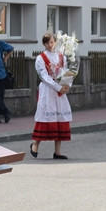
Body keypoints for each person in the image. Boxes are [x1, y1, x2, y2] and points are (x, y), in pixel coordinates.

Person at [30, 32, 72, 160]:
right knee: (45, 117)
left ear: (55, 42)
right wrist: (58, 87)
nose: (50, 45)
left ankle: (57, 151)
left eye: (52, 42)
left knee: (59, 118)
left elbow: (67, 72)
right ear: (44, 44)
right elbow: (45, 77)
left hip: (59, 92)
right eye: (47, 42)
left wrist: (67, 85)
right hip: (48, 91)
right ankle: (35, 144)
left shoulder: (61, 56)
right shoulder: (40, 58)